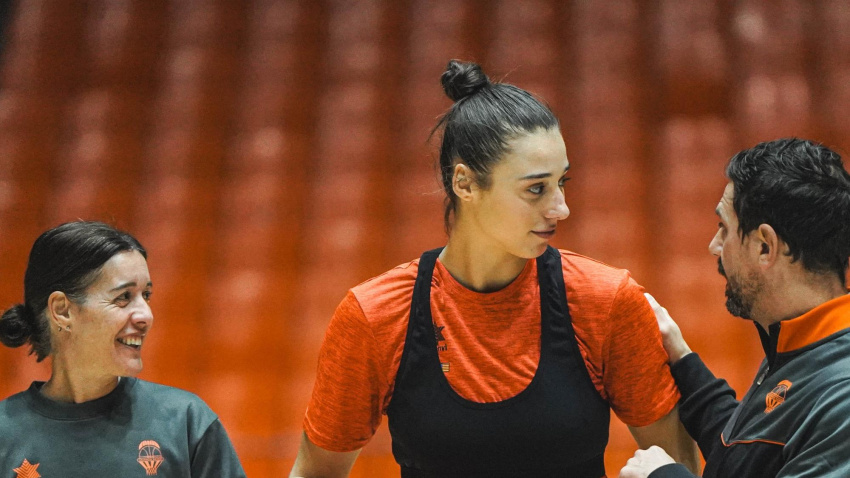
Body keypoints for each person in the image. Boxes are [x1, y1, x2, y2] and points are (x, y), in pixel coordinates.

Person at [290, 60, 698, 478]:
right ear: (464, 184)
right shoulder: (373, 316)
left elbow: (677, 465)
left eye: (563, 183)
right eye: (536, 188)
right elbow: (313, 473)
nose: (561, 208)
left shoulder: (605, 301)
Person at [620, 138, 850, 478]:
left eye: (724, 228)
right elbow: (746, 460)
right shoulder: (800, 344)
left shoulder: (841, 395)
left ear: (764, 246)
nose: (714, 247)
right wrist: (680, 357)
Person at [0, 221, 247, 477]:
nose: (146, 315)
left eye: (146, 295)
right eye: (123, 297)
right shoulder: (4, 433)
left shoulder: (186, 421)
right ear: (62, 310)